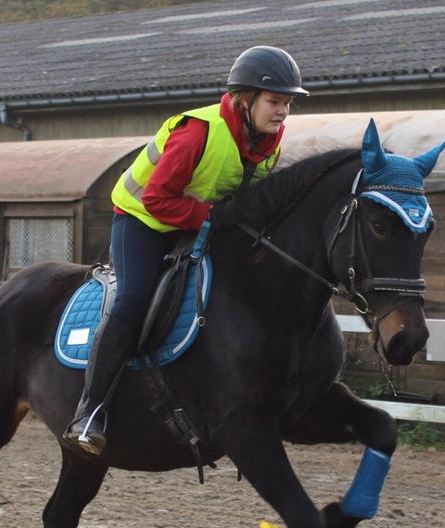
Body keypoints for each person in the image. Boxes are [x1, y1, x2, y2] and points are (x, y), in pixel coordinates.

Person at [64, 46, 309, 455]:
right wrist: (213, 216)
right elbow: (159, 198)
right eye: (275, 101)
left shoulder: (270, 140)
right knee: (134, 298)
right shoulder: (198, 131)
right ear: (244, 100)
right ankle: (90, 411)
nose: (283, 111)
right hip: (143, 220)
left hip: (199, 221)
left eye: (287, 103)